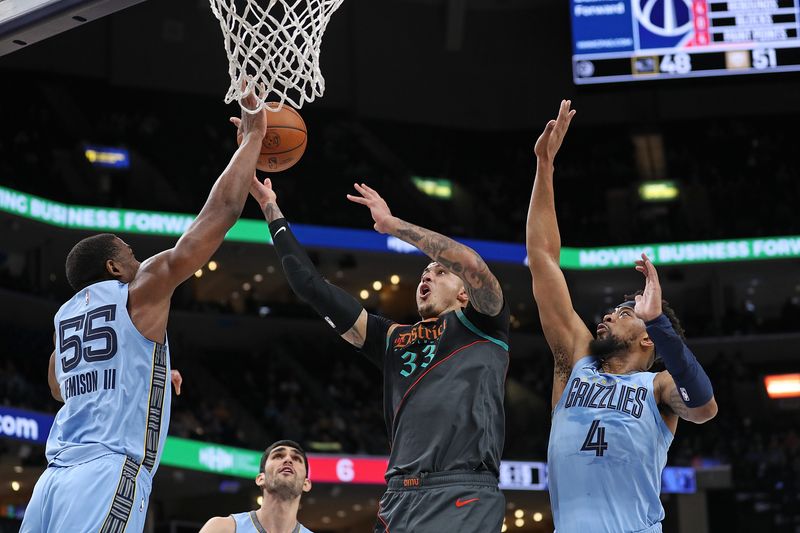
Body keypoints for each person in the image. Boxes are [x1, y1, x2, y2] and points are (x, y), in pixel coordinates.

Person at [20, 91, 268, 533]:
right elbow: (219, 215)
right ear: (114, 267)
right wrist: (252, 140)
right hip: (107, 470)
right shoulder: (136, 287)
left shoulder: (65, 318)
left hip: (53, 479)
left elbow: (62, 388)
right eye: (130, 253)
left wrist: (145, 369)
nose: (139, 259)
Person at [248, 178, 510, 533]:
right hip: (400, 497)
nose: (428, 275)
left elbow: (473, 265)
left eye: (440, 271)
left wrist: (392, 226)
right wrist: (270, 208)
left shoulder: (484, 324)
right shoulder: (391, 338)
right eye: (424, 272)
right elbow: (310, 286)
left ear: (465, 294)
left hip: (462, 489)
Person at [525, 100, 719, 533]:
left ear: (648, 337)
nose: (610, 314)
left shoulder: (658, 386)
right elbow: (542, 260)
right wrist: (545, 166)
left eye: (625, 311)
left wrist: (660, 322)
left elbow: (704, 407)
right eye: (614, 309)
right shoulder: (576, 359)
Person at [200, 440, 314, 533]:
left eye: (296, 458)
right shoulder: (222, 529)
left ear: (306, 484)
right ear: (260, 479)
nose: (288, 460)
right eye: (278, 456)